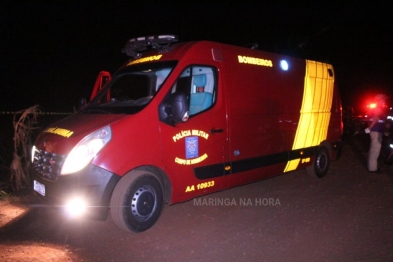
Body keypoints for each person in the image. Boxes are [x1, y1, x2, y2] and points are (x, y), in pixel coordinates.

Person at [365, 94, 388, 173]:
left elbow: (370, 120)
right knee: (375, 149)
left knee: (373, 148)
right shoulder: (378, 109)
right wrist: (370, 128)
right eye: (383, 99)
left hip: (375, 131)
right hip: (377, 131)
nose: (384, 101)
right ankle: (373, 169)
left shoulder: (374, 109)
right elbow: (376, 119)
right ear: (379, 100)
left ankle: (371, 166)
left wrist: (370, 127)